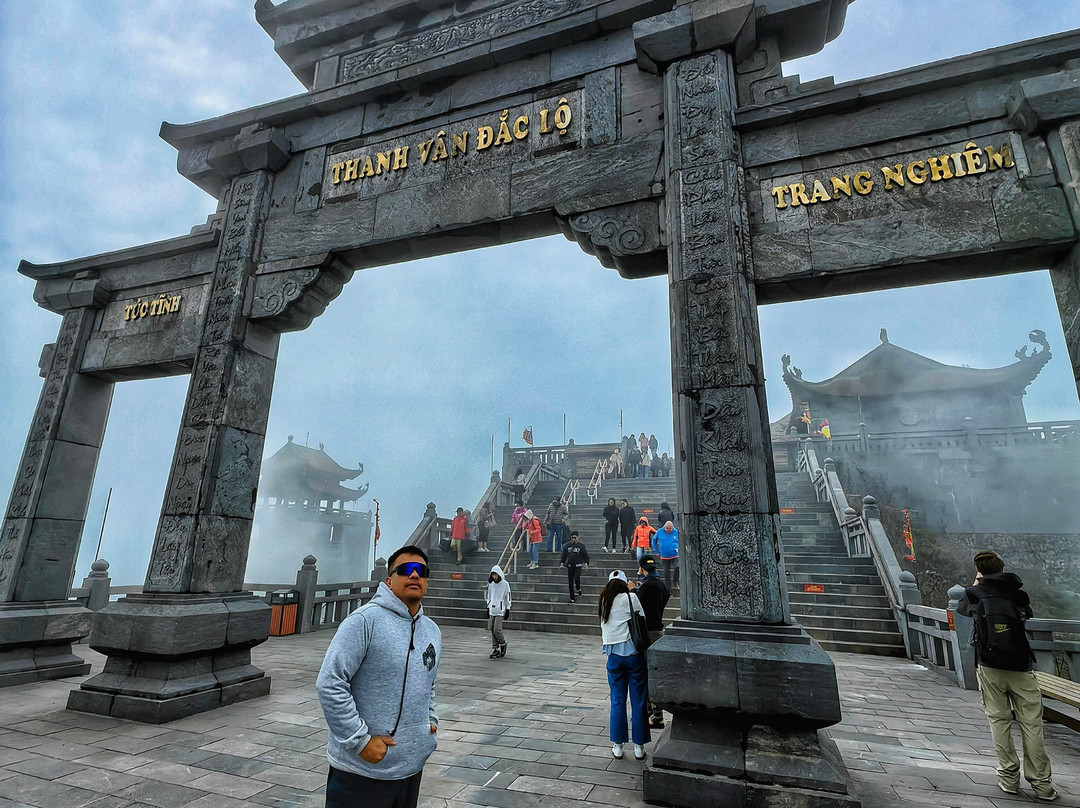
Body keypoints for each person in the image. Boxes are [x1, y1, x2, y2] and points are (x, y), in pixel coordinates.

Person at [316, 545, 440, 808]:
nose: (415, 575)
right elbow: (330, 682)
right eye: (406, 569)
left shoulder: (432, 631)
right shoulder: (363, 622)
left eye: (422, 571)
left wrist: (429, 721)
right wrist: (359, 742)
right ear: (389, 580)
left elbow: (429, 683)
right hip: (361, 773)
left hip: (411, 768)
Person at [958, 550, 1057, 802]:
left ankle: (1009, 779)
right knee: (1032, 724)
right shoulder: (1017, 593)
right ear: (1001, 567)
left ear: (978, 569)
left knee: (999, 722)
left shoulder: (974, 593)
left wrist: (976, 583)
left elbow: (961, 609)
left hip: (990, 666)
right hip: (1021, 666)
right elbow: (1028, 615)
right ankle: (1042, 784)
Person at [599, 571, 651, 761]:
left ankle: (618, 745)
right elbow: (642, 618)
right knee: (638, 701)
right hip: (633, 655)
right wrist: (634, 589)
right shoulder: (632, 598)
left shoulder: (604, 600)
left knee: (617, 701)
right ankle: (639, 746)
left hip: (613, 656)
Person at [633, 555, 670, 728]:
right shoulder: (661, 585)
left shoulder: (646, 587)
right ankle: (655, 713)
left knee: (647, 675)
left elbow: (638, 606)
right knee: (654, 673)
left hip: (647, 633)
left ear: (642, 569)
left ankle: (656, 715)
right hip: (659, 630)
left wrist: (634, 591)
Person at [484, 565, 512, 659]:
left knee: (497, 629)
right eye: (493, 575)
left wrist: (508, 608)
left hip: (500, 610)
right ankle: (495, 648)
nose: (494, 577)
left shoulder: (505, 584)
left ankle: (503, 643)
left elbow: (507, 596)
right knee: (492, 629)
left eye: (495, 575)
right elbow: (489, 595)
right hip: (492, 609)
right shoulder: (491, 585)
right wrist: (488, 606)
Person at [560, 530, 590, 603]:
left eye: (575, 538)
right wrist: (562, 564)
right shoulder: (567, 546)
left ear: (577, 538)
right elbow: (564, 555)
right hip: (570, 566)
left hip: (578, 565)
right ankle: (572, 598)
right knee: (570, 582)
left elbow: (586, 555)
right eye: (572, 538)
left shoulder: (581, 546)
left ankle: (578, 588)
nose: (573, 539)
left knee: (577, 578)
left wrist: (586, 564)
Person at [652, 521, 680, 591]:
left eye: (670, 529)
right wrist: (656, 551)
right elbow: (654, 540)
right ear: (664, 527)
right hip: (664, 556)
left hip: (675, 554)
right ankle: (668, 589)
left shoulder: (676, 532)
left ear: (672, 528)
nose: (668, 530)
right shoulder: (659, 531)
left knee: (678, 567)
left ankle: (675, 580)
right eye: (667, 528)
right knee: (666, 573)